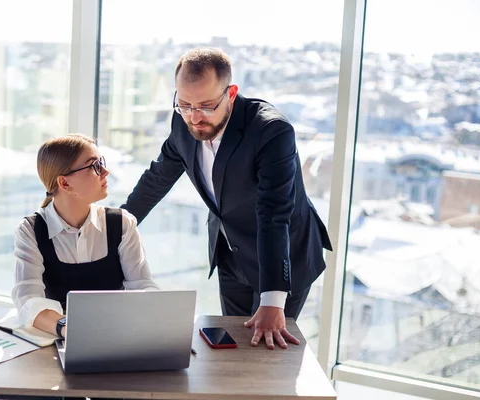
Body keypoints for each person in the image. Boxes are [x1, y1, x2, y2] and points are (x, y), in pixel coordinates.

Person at [121, 47, 332, 350]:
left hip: (281, 255)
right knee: (234, 352)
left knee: (267, 356)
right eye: (184, 104)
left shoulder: (271, 131)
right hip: (230, 253)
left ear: (230, 93)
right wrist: (113, 227)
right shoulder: (183, 122)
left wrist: (273, 298)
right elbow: (156, 180)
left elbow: (274, 215)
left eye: (206, 106)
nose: (194, 118)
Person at [12, 133, 159, 339]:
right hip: (59, 342)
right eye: (95, 166)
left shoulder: (122, 223)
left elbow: (142, 287)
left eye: (102, 163)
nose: (105, 171)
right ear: (64, 184)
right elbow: (28, 300)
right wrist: (68, 328)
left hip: (117, 337)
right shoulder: (30, 230)